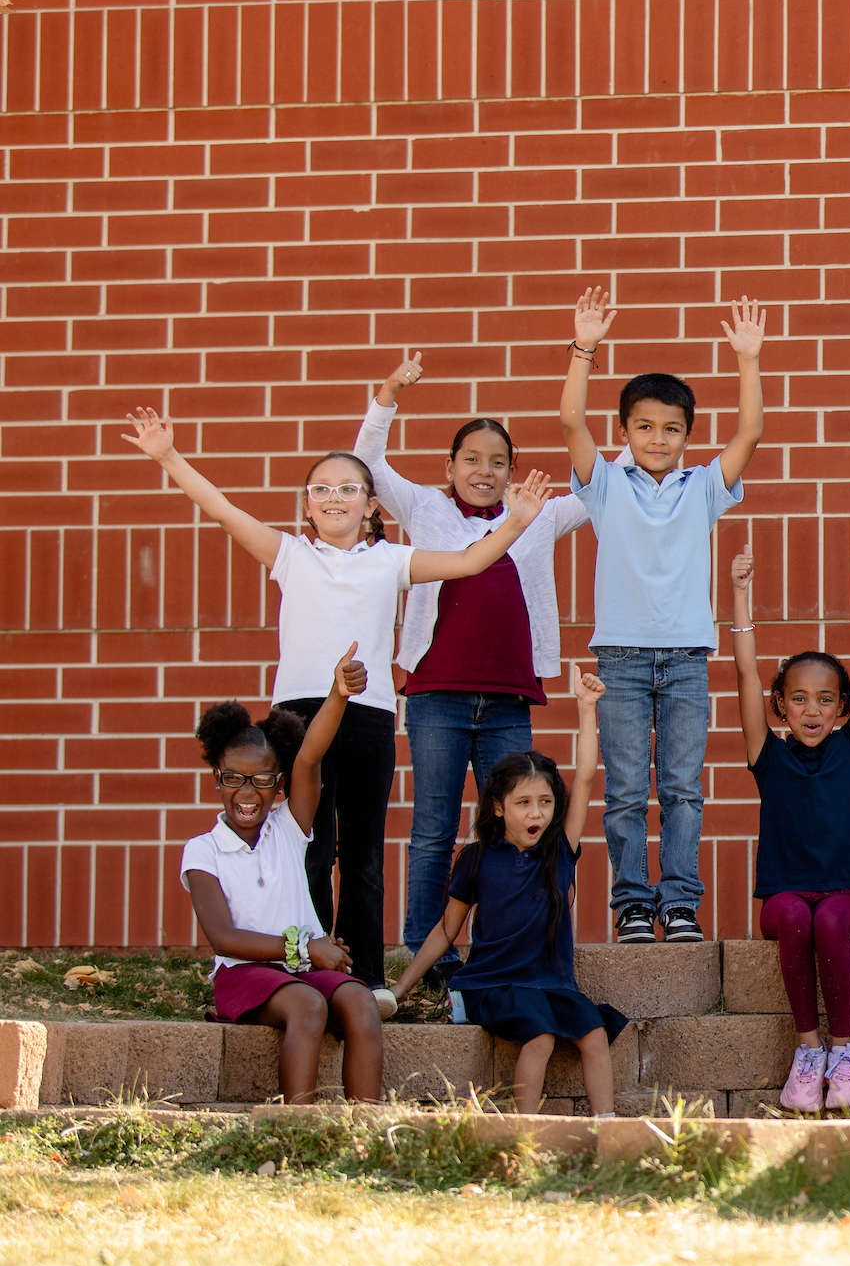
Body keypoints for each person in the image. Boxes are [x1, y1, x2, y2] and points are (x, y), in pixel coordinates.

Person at [124, 406, 552, 998]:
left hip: (369, 714)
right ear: (306, 504)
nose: (334, 497)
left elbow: (468, 562)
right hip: (296, 721)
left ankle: (367, 976)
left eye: (348, 488)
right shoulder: (289, 556)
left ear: (370, 505)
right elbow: (221, 509)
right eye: (322, 488)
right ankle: (310, 965)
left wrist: (517, 522)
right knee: (309, 847)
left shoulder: (390, 561)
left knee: (362, 854)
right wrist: (169, 456)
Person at [354, 350, 591, 985]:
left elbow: (601, 488)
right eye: (471, 460)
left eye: (498, 462)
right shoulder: (424, 510)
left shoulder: (535, 514)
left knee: (514, 827)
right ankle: (423, 948)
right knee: (433, 826)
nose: (484, 472)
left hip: (509, 699)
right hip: (439, 696)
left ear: (514, 471)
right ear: (450, 468)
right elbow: (369, 465)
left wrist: (589, 375)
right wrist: (388, 393)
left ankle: (511, 945)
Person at [559, 287, 765, 944]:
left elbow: (751, 432)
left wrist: (747, 361)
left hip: (684, 660)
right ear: (625, 432)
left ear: (686, 436)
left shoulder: (702, 486)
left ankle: (677, 903)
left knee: (681, 790)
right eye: (644, 426)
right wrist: (584, 348)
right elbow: (570, 422)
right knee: (623, 794)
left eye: (671, 428)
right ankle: (632, 906)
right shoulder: (605, 484)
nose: (658, 438)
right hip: (619, 658)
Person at [389, 667, 628, 1117]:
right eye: (523, 803)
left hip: (550, 983)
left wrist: (586, 709)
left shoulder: (558, 851)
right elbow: (446, 930)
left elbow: (585, 778)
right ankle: (524, 1135)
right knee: (539, 1035)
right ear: (498, 808)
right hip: (494, 984)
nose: (536, 813)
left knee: (593, 1032)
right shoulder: (477, 859)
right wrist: (401, 988)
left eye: (545, 802)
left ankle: (607, 1127)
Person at [729, 532, 850, 1115]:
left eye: (825, 700)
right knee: (799, 915)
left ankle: (844, 1054)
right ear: (781, 705)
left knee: (828, 920)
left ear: (842, 706)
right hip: (783, 896)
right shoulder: (766, 755)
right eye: (797, 699)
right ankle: (808, 1052)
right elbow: (747, 677)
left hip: (842, 894)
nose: (812, 710)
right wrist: (741, 596)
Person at [182, 648, 386, 1105]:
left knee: (361, 1003)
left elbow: (311, 756)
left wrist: (338, 695)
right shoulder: (203, 851)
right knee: (308, 1005)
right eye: (234, 779)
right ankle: (297, 1127)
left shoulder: (289, 829)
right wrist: (305, 947)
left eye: (262, 780)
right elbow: (223, 938)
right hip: (243, 975)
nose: (247, 792)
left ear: (279, 785)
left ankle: (368, 1127)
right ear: (217, 779)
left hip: (301, 969)